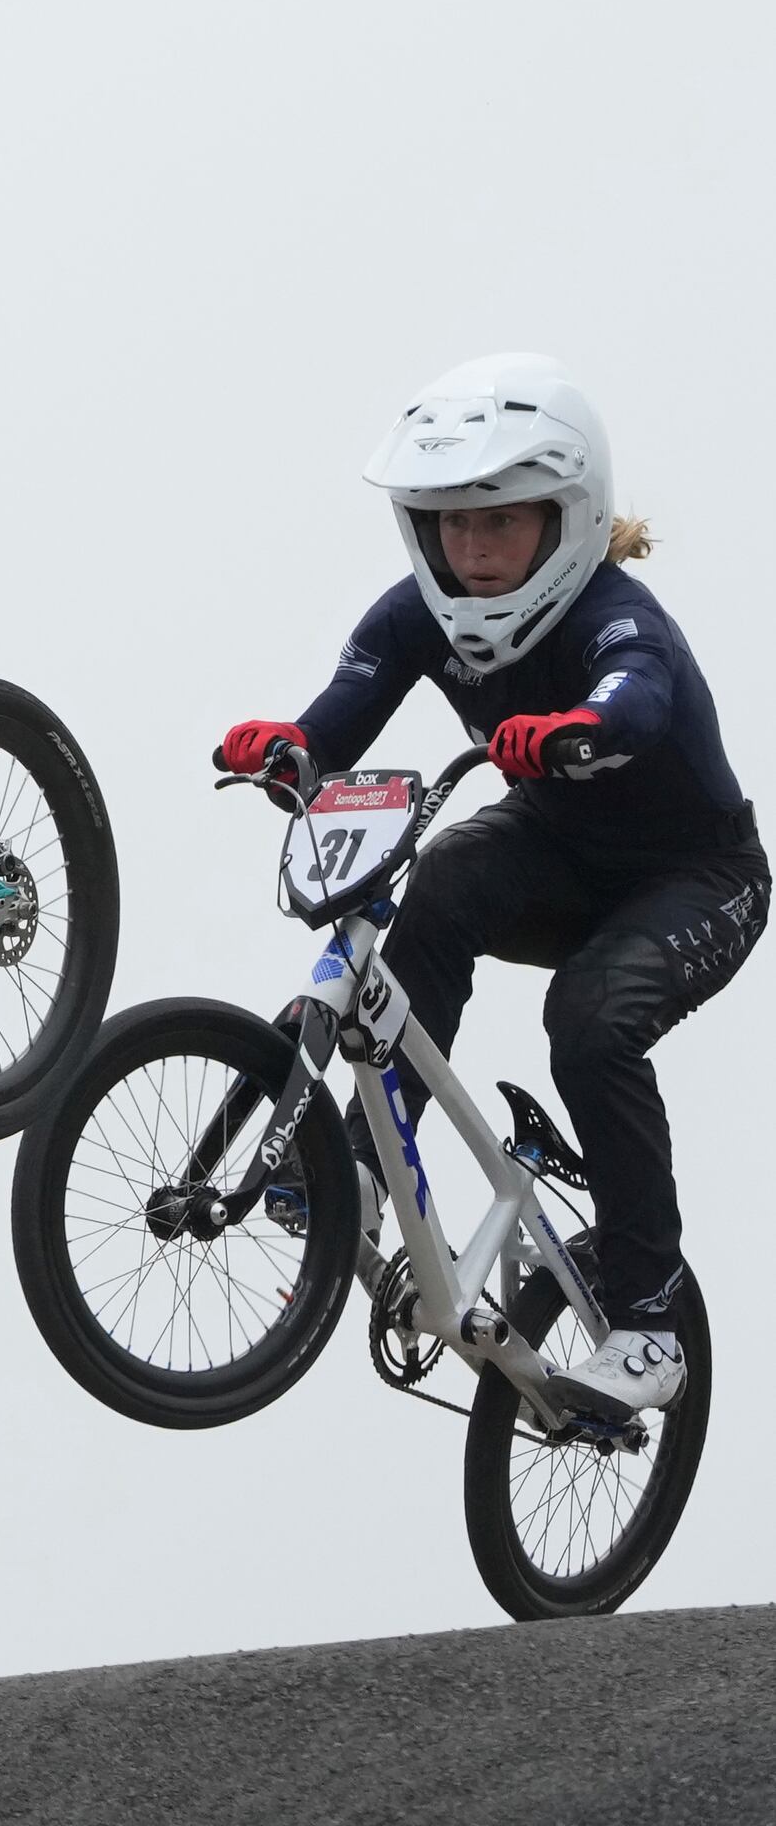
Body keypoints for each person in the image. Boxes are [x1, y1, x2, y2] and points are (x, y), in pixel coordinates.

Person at [216, 356, 759, 1417]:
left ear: (566, 518)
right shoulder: (417, 612)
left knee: (590, 1021)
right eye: (446, 523)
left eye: (498, 522)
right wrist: (289, 743)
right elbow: (341, 712)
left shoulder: (618, 618)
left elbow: (634, 698)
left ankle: (648, 1322)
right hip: (556, 853)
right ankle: (369, 1169)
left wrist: (579, 728)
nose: (468, 549)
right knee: (449, 870)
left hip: (696, 879)